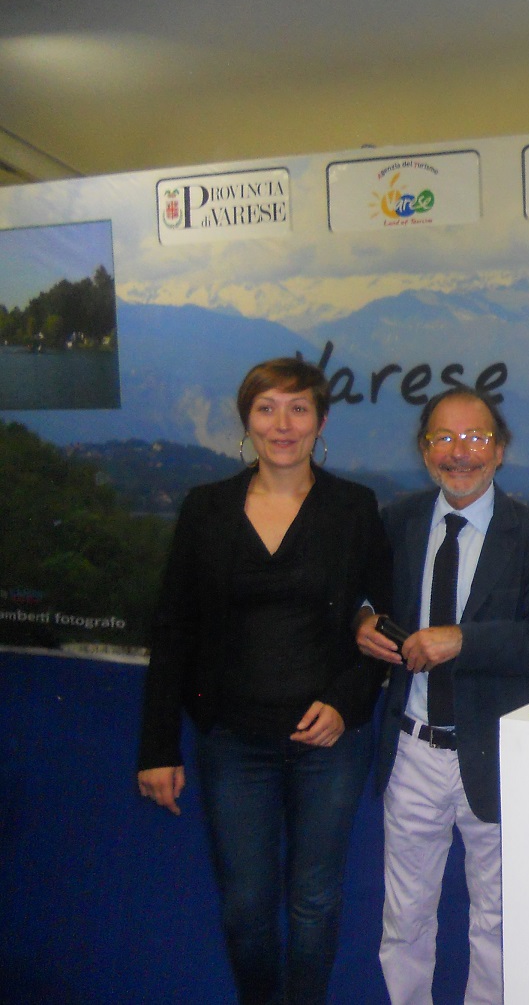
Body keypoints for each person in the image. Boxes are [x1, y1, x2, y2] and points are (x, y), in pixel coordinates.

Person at [137, 357, 391, 1005]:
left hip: (329, 741)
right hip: (233, 741)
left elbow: (383, 624)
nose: (283, 424)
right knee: (245, 906)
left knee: (315, 901)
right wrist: (158, 747)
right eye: (267, 408)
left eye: (298, 408)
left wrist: (345, 701)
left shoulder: (354, 508)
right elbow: (173, 629)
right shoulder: (206, 509)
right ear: (246, 421)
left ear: (321, 421)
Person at [355, 385, 529, 1005]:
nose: (460, 452)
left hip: (493, 753)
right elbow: (361, 594)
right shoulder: (396, 523)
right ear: (425, 451)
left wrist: (463, 641)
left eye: (476, 437)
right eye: (443, 438)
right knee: (404, 917)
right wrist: (361, 618)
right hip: (412, 751)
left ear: (500, 450)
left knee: (497, 921)